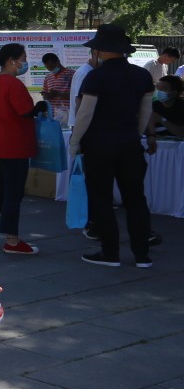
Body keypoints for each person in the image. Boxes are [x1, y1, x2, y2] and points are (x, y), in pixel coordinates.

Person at [70, 24, 156, 268]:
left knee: (102, 199)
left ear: (100, 50)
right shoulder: (142, 75)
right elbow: (145, 111)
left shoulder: (96, 76)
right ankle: (142, 255)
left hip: (99, 145)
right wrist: (134, 135)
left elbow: (85, 114)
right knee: (136, 199)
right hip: (129, 143)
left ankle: (110, 253)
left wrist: (75, 142)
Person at [0, 43, 39, 255]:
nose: (25, 62)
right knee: (13, 193)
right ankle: (12, 240)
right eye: (23, 58)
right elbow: (25, 111)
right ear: (12, 61)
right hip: (14, 145)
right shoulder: (13, 84)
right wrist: (38, 108)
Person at [39, 52, 75, 123]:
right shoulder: (48, 77)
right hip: (52, 114)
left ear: (58, 62)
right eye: (48, 68)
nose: (50, 69)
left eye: (51, 67)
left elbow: (77, 95)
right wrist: (46, 95)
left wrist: (59, 94)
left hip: (67, 114)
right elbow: (45, 94)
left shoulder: (72, 74)